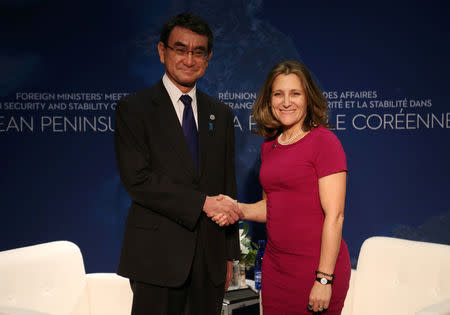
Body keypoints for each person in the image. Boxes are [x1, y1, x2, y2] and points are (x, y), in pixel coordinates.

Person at [114, 13, 242, 315]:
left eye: (198, 52)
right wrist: (202, 203)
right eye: (180, 49)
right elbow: (138, 180)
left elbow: (227, 184)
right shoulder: (134, 109)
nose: (189, 59)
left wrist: (229, 256)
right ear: (162, 52)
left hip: (209, 258)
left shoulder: (220, 113)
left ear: (208, 58)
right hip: (156, 257)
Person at [214, 60, 351, 314]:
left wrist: (324, 279)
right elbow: (271, 208)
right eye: (279, 94)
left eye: (295, 93)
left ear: (308, 98)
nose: (286, 102)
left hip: (314, 272)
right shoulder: (270, 146)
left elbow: (336, 215)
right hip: (276, 271)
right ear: (269, 100)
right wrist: (237, 208)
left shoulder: (325, 142)